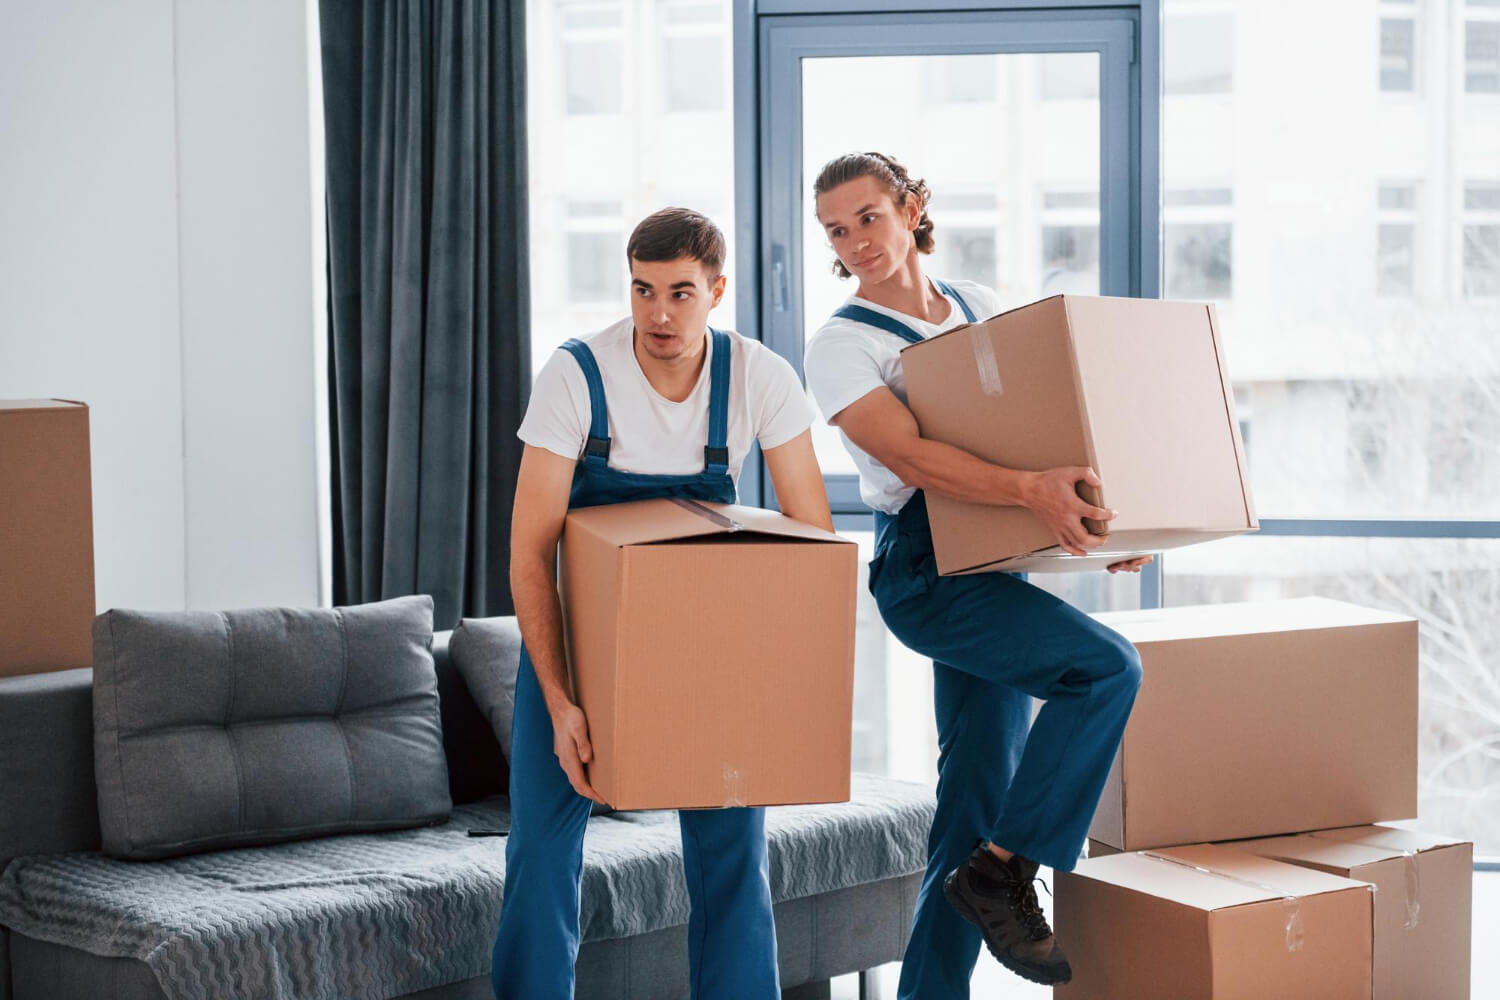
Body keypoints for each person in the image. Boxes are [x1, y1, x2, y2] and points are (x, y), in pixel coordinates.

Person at [802, 152, 1148, 995]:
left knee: (967, 813)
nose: (855, 242)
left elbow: (1033, 438)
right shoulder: (841, 344)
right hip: (924, 575)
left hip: (993, 561)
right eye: (836, 231)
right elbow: (911, 456)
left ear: (912, 206)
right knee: (1105, 670)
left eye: (868, 217)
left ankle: (962, 915)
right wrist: (1031, 490)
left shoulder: (981, 308)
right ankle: (1005, 871)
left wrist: (1104, 530)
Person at [490, 207, 832, 999]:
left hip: (710, 654)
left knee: (732, 859)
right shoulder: (577, 375)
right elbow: (529, 553)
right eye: (643, 291)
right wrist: (559, 698)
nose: (659, 315)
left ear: (717, 289)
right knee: (540, 853)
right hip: (578, 649)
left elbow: (811, 546)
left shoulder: (759, 378)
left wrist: (772, 689)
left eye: (681, 292)